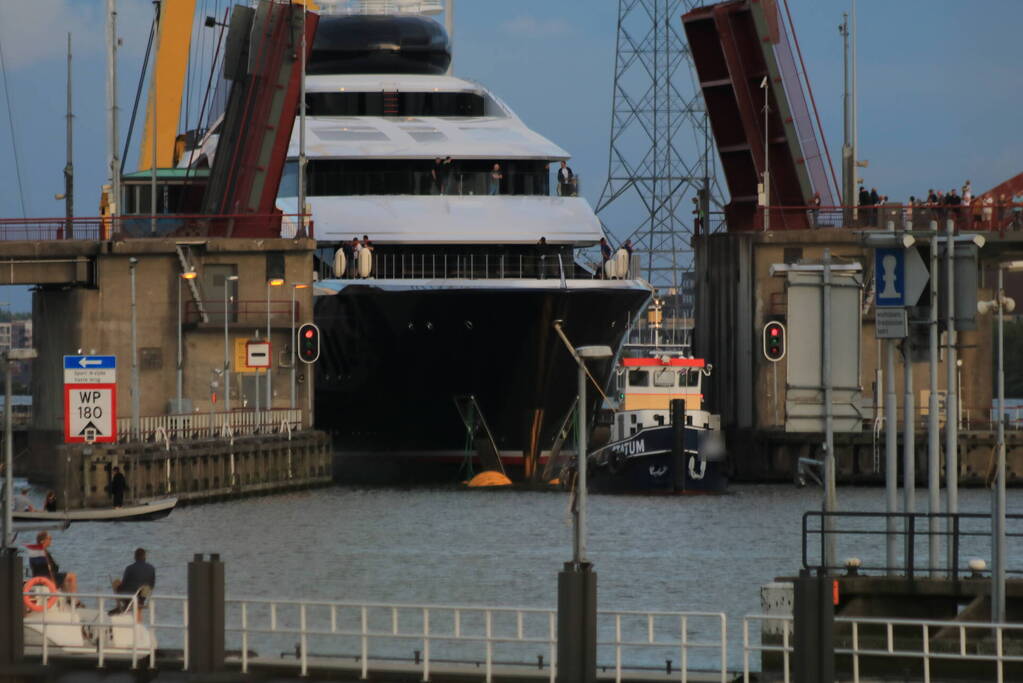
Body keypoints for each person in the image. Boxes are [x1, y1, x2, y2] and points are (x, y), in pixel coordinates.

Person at [26, 531, 78, 596]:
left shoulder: (34, 552)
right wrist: (53, 582)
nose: (51, 540)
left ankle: (67, 598)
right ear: (43, 541)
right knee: (72, 576)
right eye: (49, 538)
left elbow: (34, 567)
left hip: (37, 576)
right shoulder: (44, 553)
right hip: (48, 577)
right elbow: (48, 568)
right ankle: (75, 600)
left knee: (63, 578)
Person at [112, 548, 156, 617]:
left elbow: (124, 583)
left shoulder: (129, 568)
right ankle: (138, 621)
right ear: (145, 557)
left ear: (135, 557)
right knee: (143, 590)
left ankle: (120, 606)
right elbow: (152, 585)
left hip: (128, 596)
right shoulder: (151, 568)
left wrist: (118, 586)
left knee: (116, 582)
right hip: (142, 596)